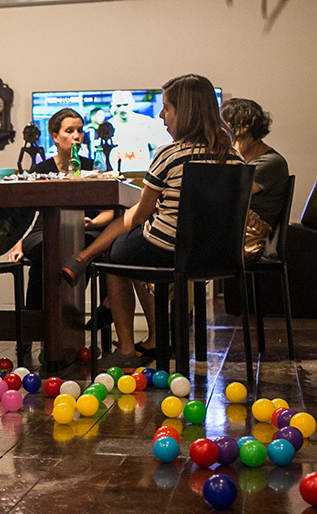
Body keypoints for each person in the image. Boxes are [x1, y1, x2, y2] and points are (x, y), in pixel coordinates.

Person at [71, 74, 243, 367]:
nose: (161, 115)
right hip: (215, 255)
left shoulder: (170, 155)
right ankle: (157, 339)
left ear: (185, 113)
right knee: (133, 250)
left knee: (118, 254)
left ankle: (126, 349)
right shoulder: (234, 158)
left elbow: (140, 215)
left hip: (168, 250)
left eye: (167, 108)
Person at [8, 108, 116, 316]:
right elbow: (22, 213)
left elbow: (109, 213)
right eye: (69, 131)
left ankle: (65, 317)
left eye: (79, 130)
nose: (76, 136)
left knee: (79, 246)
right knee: (43, 249)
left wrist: (92, 223)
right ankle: (35, 319)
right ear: (55, 137)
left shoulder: (93, 166)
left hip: (86, 228)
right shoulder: (41, 169)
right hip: (45, 229)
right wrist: (17, 243)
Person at [221, 97, 289, 256]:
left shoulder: (271, 162)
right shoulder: (245, 160)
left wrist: (231, 154)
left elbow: (230, 195)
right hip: (234, 228)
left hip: (248, 235)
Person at [107, 90, 172, 171]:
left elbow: (159, 146)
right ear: (113, 106)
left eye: (125, 105)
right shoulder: (108, 125)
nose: (122, 109)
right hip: (118, 173)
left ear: (132, 103)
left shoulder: (146, 122)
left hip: (143, 172)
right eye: (119, 106)